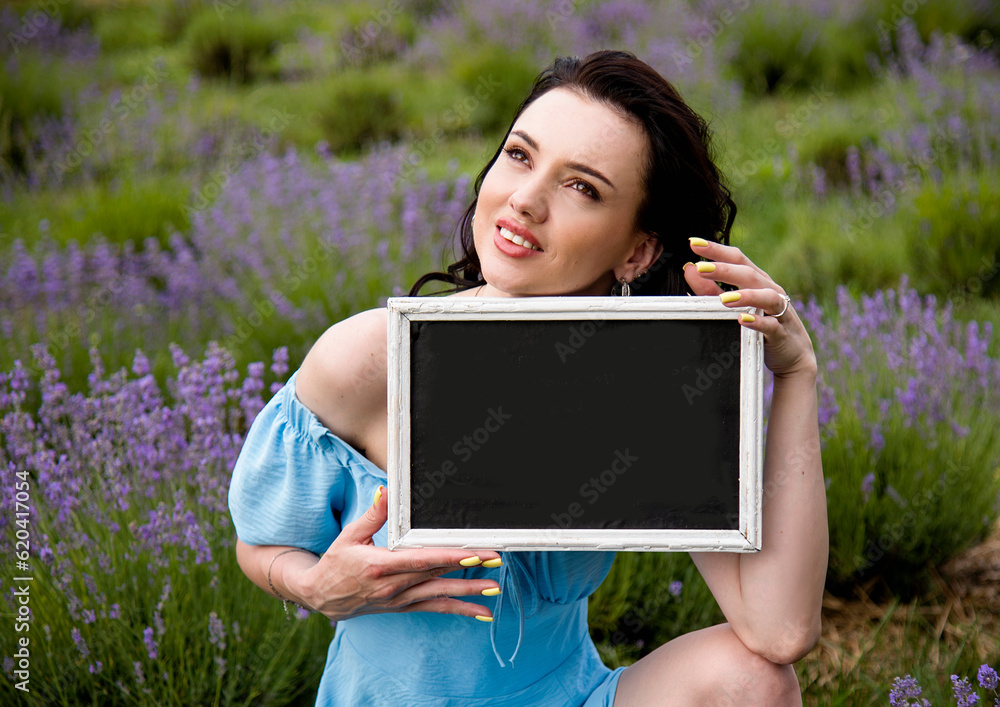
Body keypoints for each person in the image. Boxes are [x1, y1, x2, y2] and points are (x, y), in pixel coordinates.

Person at [229, 49, 827, 706]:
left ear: (638, 249)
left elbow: (780, 628)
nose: (525, 199)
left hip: (568, 697)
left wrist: (797, 373)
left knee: (756, 681)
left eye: (582, 187)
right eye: (520, 155)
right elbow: (259, 546)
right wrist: (315, 586)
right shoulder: (371, 358)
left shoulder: (651, 379)